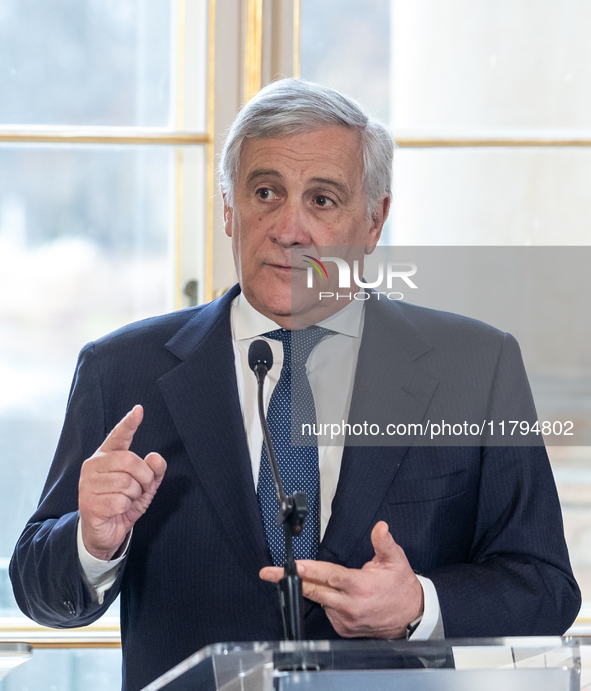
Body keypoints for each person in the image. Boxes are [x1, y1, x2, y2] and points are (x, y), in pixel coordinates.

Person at [10, 79, 580, 691]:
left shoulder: (476, 365)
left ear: (374, 219)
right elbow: (41, 593)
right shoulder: (122, 370)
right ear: (229, 208)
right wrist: (92, 543)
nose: (291, 228)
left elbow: (544, 587)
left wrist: (419, 605)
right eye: (265, 192)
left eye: (324, 200)